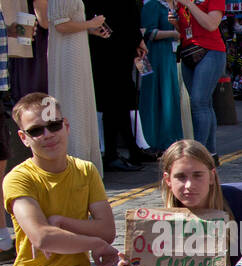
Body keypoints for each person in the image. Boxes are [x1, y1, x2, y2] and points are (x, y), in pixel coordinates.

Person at [1, 93, 118, 266]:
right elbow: (43, 237)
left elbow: (107, 230)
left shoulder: (86, 170)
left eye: (53, 125)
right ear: (24, 138)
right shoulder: (18, 178)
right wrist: (94, 244)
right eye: (36, 130)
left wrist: (61, 222)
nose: (47, 134)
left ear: (65, 125)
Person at [40, 0, 103, 173]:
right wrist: (91, 23)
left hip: (76, 52)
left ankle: (83, 165)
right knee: (73, 105)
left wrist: (89, 29)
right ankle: (75, 164)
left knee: (80, 106)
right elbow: (61, 25)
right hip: (69, 58)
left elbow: (66, 23)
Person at [85, 0, 144, 172]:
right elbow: (121, 13)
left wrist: (137, 40)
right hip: (111, 47)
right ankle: (113, 153)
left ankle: (129, 150)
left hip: (118, 45)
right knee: (114, 103)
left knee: (120, 103)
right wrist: (137, 39)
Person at [175, 0, 226, 158]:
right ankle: (210, 153)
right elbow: (186, 29)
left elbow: (211, 24)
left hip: (211, 50)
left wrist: (189, 5)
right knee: (203, 104)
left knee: (199, 103)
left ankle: (197, 154)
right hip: (188, 51)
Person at [139, 0, 186, 153]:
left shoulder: (178, 5)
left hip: (170, 56)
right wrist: (173, 34)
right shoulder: (153, 5)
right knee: (154, 96)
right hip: (156, 56)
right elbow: (147, 32)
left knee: (169, 97)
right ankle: (152, 140)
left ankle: (170, 139)